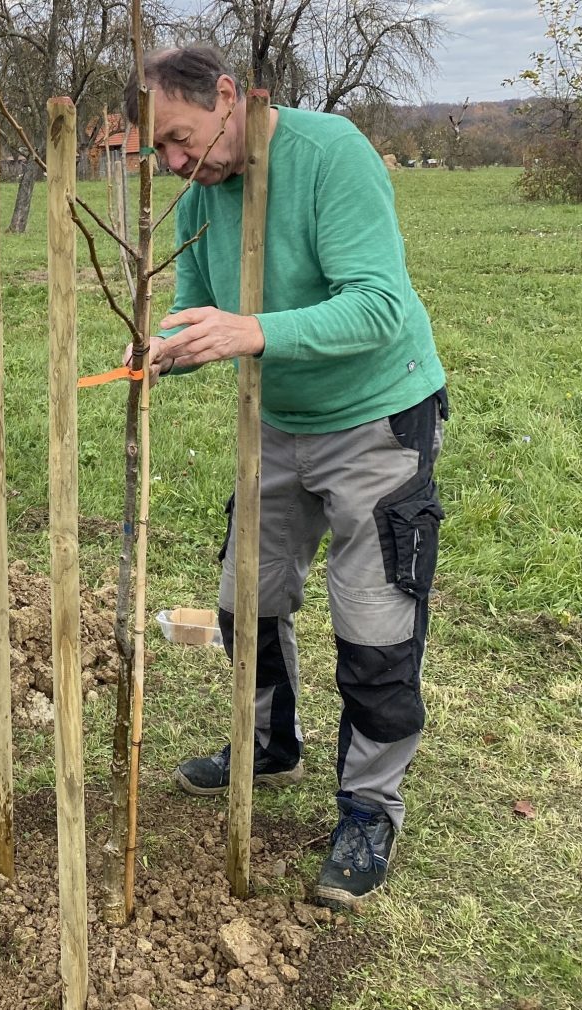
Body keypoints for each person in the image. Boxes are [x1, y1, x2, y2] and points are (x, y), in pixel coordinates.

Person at [124, 48, 448, 910]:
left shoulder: (329, 153)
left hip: (378, 415)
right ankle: (269, 744)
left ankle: (370, 809)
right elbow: (198, 312)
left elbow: (377, 304)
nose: (175, 165)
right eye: (158, 152)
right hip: (278, 421)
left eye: (182, 140)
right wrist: (164, 348)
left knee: (374, 620)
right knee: (245, 595)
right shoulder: (203, 196)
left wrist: (251, 330)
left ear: (227, 95)